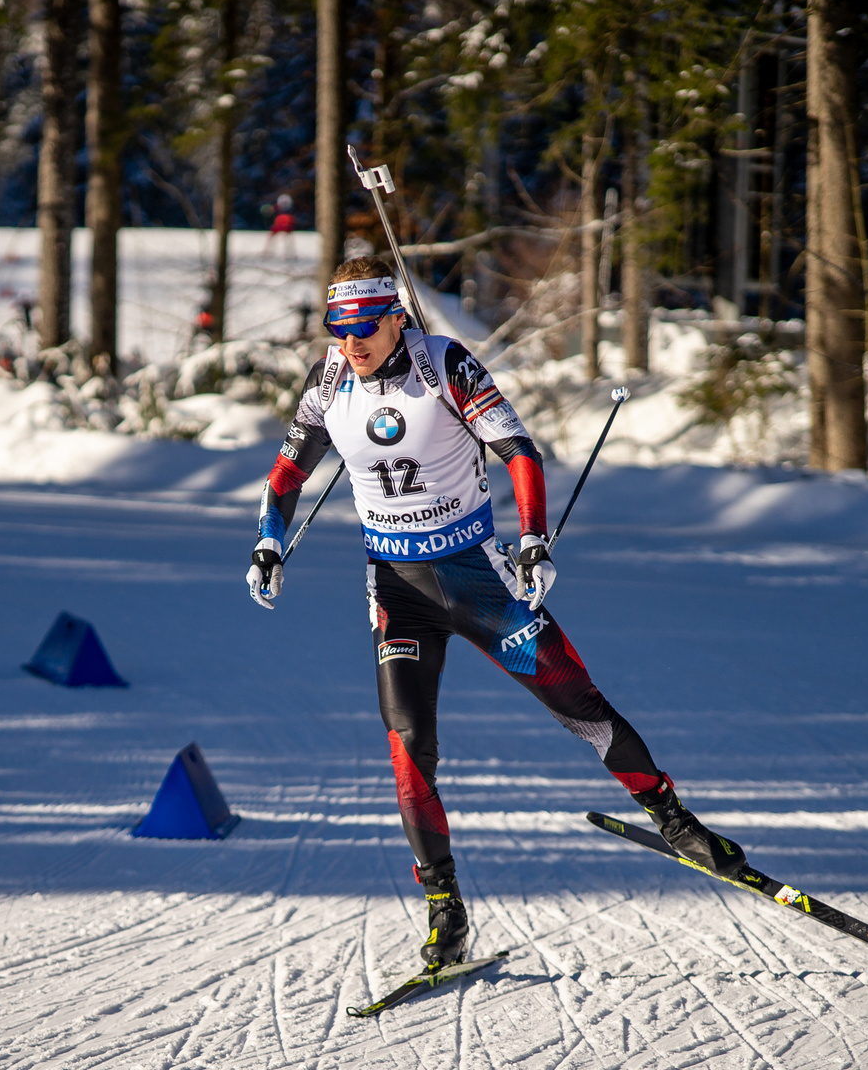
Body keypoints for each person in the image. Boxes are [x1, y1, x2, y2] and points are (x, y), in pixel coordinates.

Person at [246, 256, 747, 972]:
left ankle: (671, 818)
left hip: (478, 580)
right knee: (407, 744)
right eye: (339, 327)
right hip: (398, 591)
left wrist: (534, 538)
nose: (352, 343)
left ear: (395, 317)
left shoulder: (445, 363)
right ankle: (444, 912)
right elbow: (288, 472)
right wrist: (268, 541)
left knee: (578, 702)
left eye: (364, 327)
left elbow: (517, 449)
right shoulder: (329, 378)